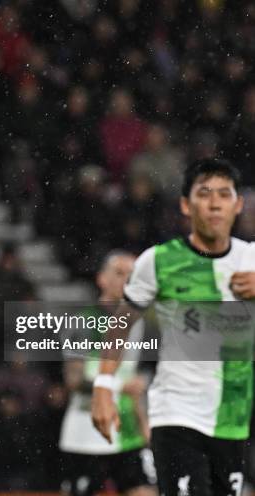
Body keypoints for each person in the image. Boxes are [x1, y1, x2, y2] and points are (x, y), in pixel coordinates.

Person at [92, 159, 255, 496]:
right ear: (185, 204)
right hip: (176, 414)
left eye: (224, 194)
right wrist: (104, 385)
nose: (214, 203)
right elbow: (122, 321)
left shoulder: (251, 260)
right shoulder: (158, 260)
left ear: (238, 204)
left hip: (233, 416)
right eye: (204, 193)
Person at [60, 251, 156, 496]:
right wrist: (119, 387)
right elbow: (73, 380)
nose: (127, 280)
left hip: (127, 431)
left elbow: (137, 383)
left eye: (133, 275)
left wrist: (145, 426)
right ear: (101, 279)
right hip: (86, 432)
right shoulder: (84, 322)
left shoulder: (140, 324)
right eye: (120, 273)